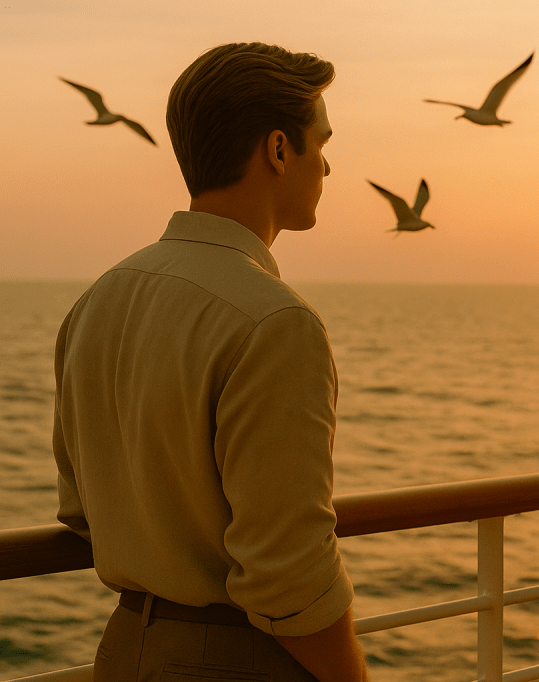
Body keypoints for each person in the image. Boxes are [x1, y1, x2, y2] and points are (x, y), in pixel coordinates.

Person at [52, 42, 368, 682]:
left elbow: (80, 512)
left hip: (121, 653)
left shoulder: (97, 300)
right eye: (321, 143)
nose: (328, 167)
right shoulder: (276, 323)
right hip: (236, 659)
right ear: (279, 150)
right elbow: (289, 575)